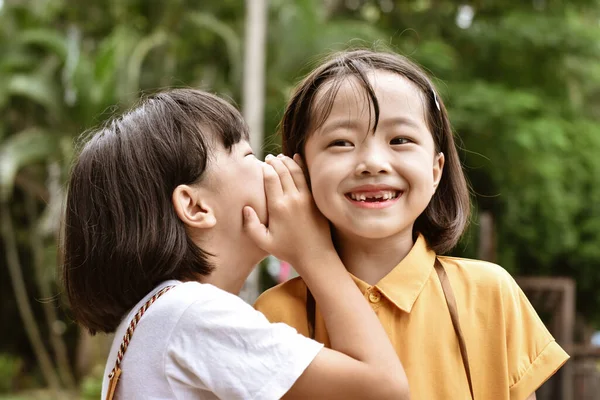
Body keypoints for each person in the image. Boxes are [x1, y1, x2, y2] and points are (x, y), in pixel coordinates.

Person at [254, 49, 569, 400]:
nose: (372, 163)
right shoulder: (272, 316)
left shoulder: (491, 294)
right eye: (341, 142)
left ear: (436, 170)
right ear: (302, 172)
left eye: (399, 140)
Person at [61, 89, 409, 400]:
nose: (272, 167)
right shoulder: (193, 315)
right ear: (196, 207)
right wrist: (314, 252)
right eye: (248, 157)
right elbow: (383, 387)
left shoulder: (156, 320)